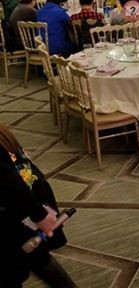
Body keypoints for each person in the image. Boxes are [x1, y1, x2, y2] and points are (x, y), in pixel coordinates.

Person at [0, 123, 76, 288]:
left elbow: (8, 180)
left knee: (16, 269)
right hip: (28, 205)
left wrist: (39, 215)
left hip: (18, 212)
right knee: (37, 258)